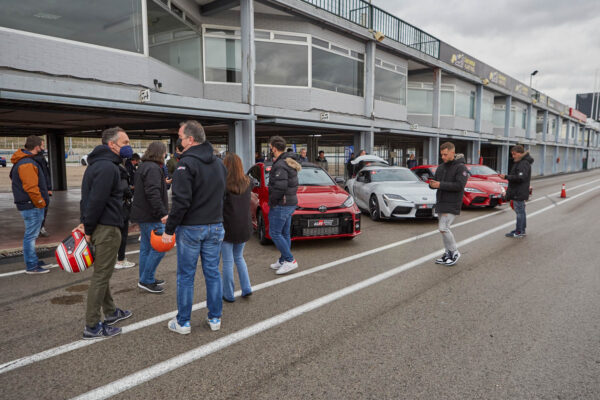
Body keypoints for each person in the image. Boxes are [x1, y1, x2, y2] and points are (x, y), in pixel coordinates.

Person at [163, 120, 227, 335]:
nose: (179, 142)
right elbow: (221, 195)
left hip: (191, 228)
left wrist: (169, 229)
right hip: (216, 225)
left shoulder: (185, 165)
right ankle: (215, 318)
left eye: (181, 137)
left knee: (186, 276)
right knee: (212, 273)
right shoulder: (219, 164)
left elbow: (181, 202)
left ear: (190, 139)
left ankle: (183, 322)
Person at [76, 127, 133, 339]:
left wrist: (85, 223)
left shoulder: (96, 165)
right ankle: (92, 325)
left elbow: (87, 199)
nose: (128, 146)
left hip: (102, 226)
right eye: (125, 142)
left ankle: (110, 312)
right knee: (101, 276)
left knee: (103, 272)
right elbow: (96, 201)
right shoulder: (108, 168)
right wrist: (88, 228)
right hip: (107, 228)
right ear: (112, 145)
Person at [131, 142, 169, 293]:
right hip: (152, 216)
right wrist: (162, 213)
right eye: (165, 152)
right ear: (160, 153)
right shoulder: (153, 168)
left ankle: (146, 277)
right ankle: (147, 279)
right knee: (160, 247)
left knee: (146, 248)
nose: (165, 155)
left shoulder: (144, 166)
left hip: (144, 215)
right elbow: (152, 193)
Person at [10, 135, 50, 274]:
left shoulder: (24, 161)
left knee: (31, 235)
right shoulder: (27, 163)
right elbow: (31, 187)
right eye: (43, 146)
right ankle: (32, 266)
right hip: (31, 205)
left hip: (29, 204)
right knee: (31, 236)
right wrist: (40, 202)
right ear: (37, 147)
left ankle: (33, 260)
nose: (44, 149)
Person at [428, 143, 468, 267]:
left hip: (452, 203)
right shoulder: (441, 167)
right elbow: (436, 181)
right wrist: (431, 184)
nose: (443, 157)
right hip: (441, 202)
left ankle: (454, 252)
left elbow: (459, 186)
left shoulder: (461, 167)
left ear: (452, 152)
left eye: (445, 154)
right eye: (442, 155)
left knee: (443, 228)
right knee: (443, 229)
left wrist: (440, 185)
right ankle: (447, 254)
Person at [221, 153, 253, 302]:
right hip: (243, 226)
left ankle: (228, 294)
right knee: (239, 257)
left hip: (227, 227)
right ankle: (246, 288)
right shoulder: (248, 182)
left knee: (227, 262)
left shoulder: (222, 184)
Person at [268, 136, 301, 275]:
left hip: (282, 203)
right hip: (290, 202)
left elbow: (280, 187)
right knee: (284, 233)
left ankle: (290, 260)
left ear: (274, 148)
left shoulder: (281, 165)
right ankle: (283, 260)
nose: (270, 150)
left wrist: (272, 202)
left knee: (274, 233)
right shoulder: (288, 162)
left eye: (270, 148)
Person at [500, 145, 534, 238]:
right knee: (521, 212)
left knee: (520, 212)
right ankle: (520, 229)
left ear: (520, 153)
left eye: (514, 154)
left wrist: (506, 177)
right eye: (512, 154)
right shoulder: (521, 162)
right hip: (519, 191)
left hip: (519, 192)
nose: (513, 156)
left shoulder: (523, 163)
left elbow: (520, 177)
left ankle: (520, 231)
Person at [114, 155, 136, 270]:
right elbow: (124, 189)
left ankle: (115, 258)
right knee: (123, 234)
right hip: (122, 207)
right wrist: (130, 194)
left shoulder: (106, 168)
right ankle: (120, 260)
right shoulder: (120, 170)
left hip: (112, 207)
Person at [33, 139, 52, 238]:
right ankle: (39, 228)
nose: (44, 147)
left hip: (40, 188)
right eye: (43, 145)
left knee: (40, 208)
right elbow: (45, 174)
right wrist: (48, 187)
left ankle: (38, 228)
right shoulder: (39, 158)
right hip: (41, 188)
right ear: (37, 147)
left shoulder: (36, 158)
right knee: (42, 207)